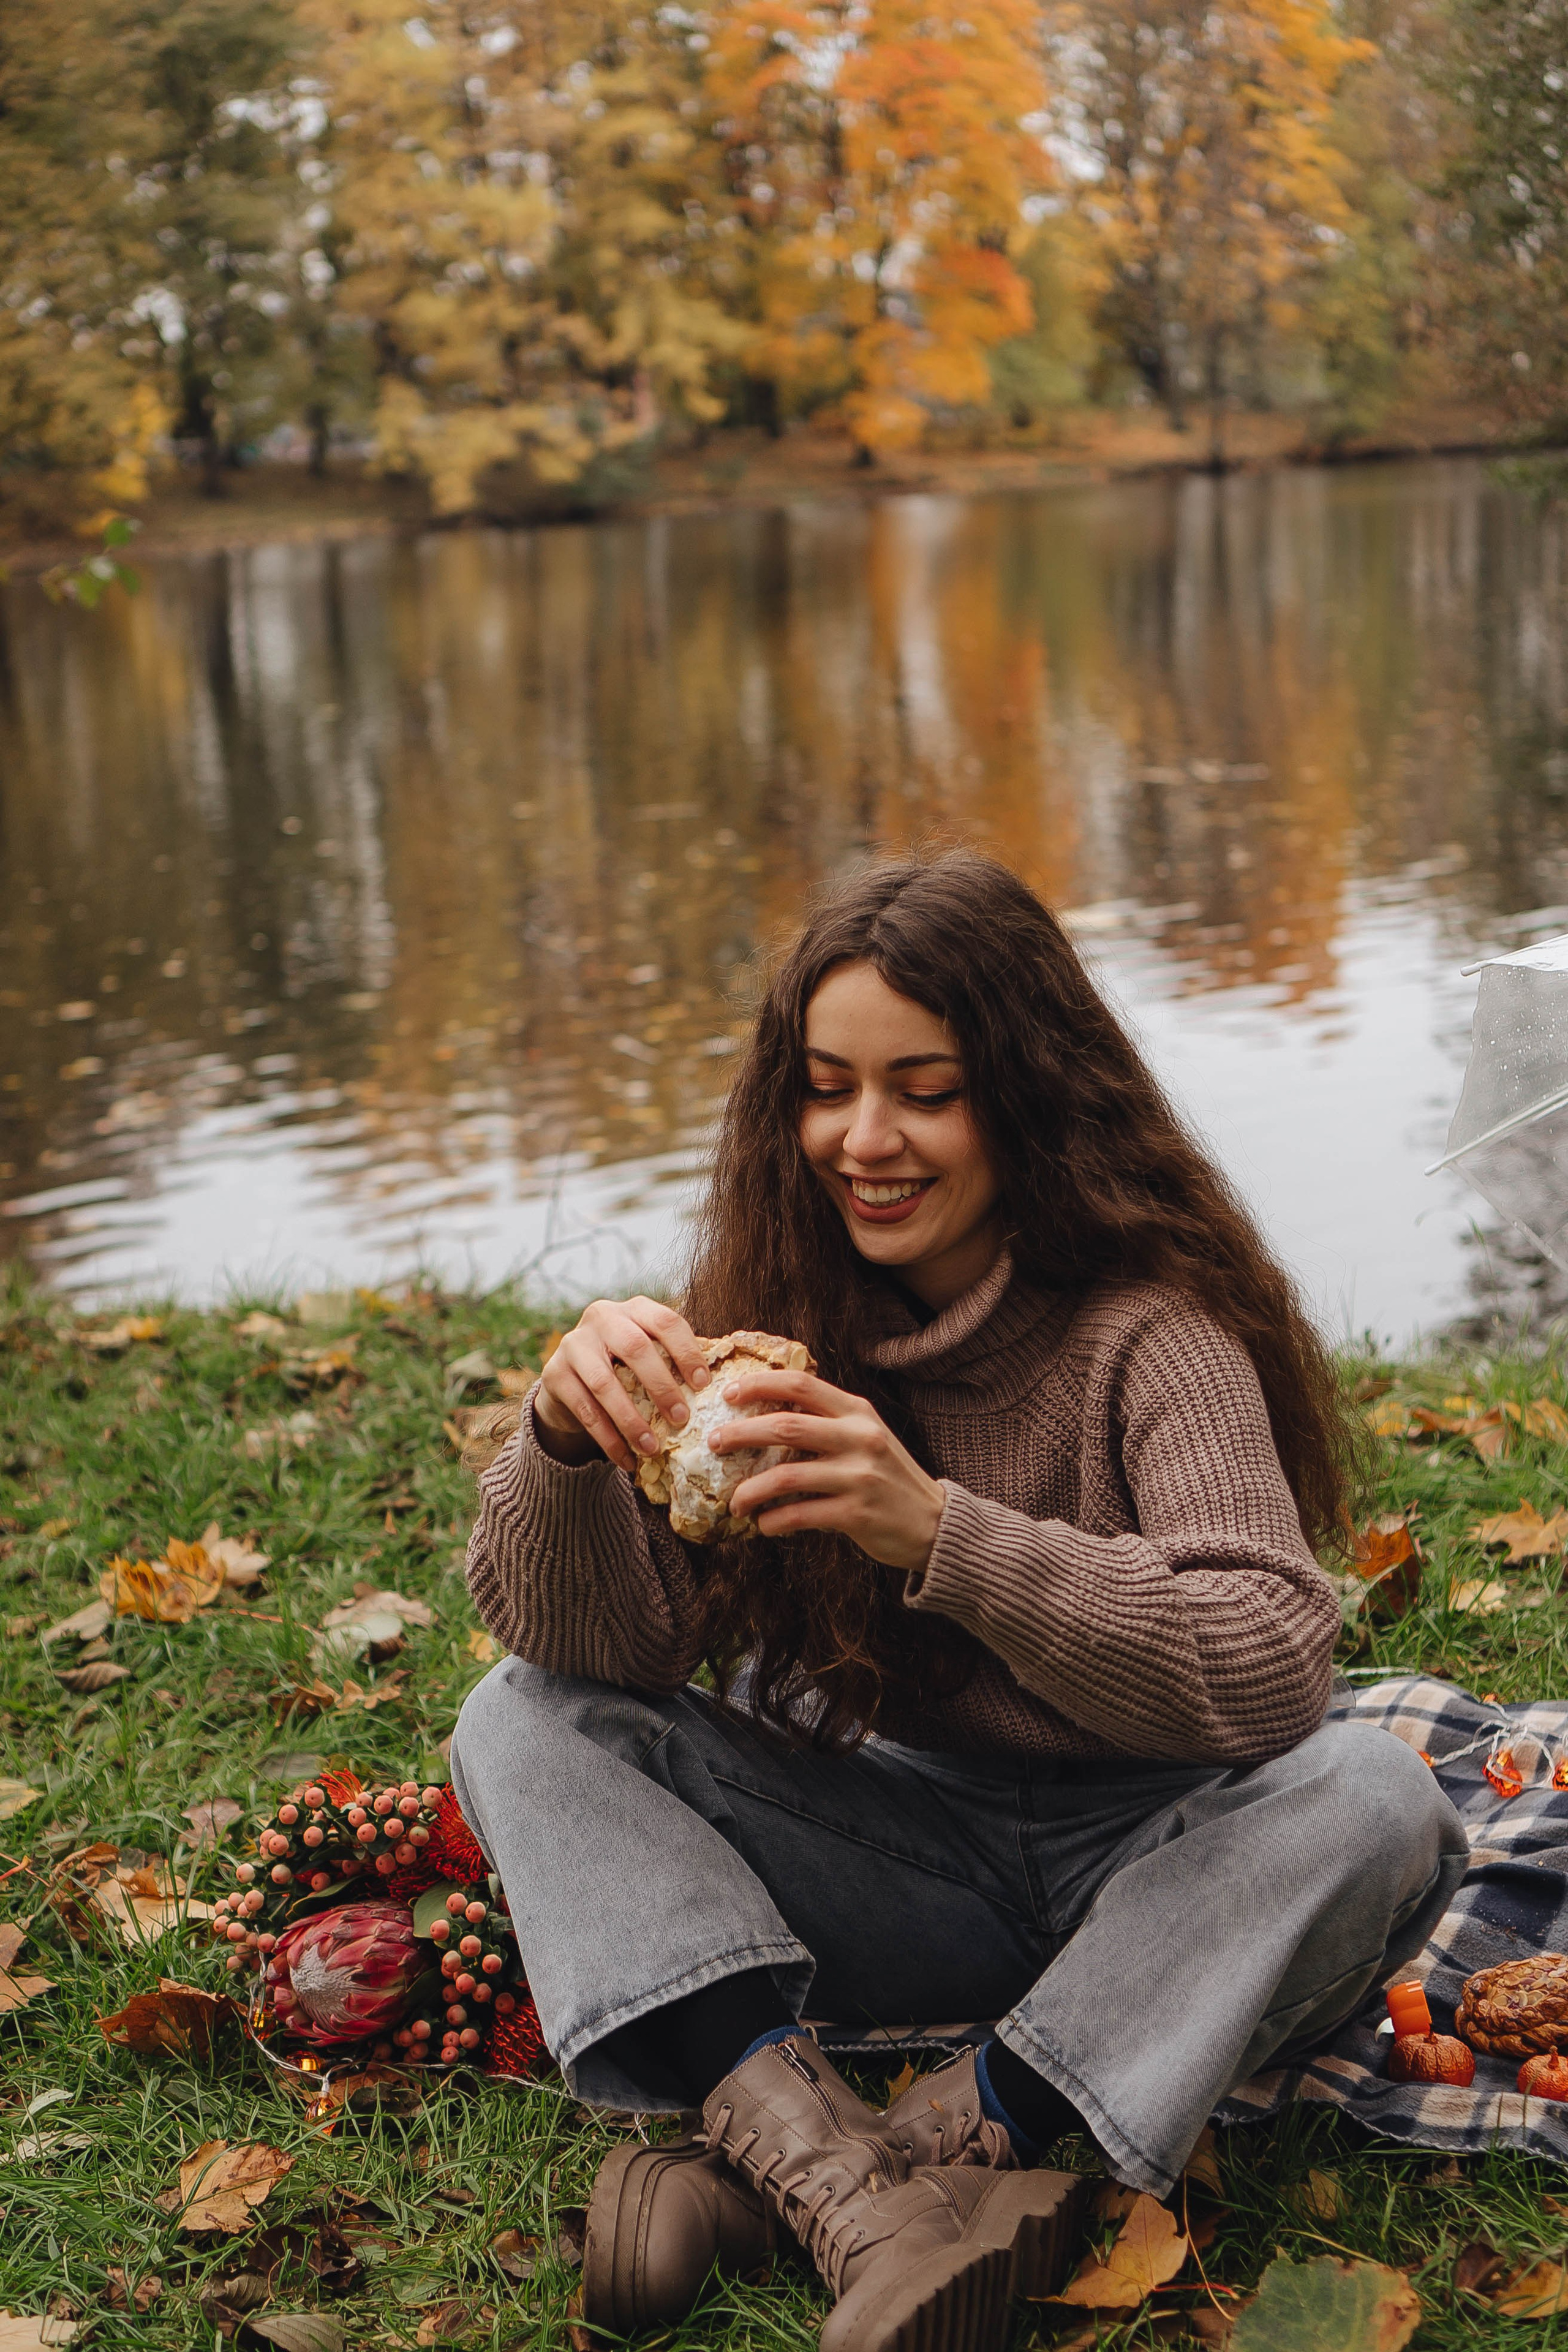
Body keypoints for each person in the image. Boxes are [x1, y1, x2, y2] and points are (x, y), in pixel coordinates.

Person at [450, 851, 1466, 2352]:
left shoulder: (1155, 1333)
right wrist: (561, 1450)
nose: (864, 1139)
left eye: (923, 1089)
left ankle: (939, 2141)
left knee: (1380, 1803)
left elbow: (1268, 1669)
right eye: (826, 1085)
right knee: (518, 1719)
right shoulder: (775, 1312)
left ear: (1026, 1093)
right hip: (894, 1860)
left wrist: (939, 1533)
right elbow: (616, 1654)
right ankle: (841, 2182)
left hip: (1166, 1873)